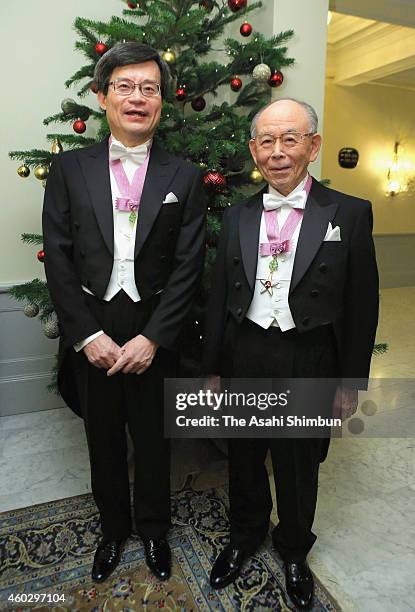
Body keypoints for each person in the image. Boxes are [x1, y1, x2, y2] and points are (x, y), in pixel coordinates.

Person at [203, 98, 378, 609]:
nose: (277, 152)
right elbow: (219, 299)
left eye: (290, 139)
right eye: (266, 141)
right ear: (254, 149)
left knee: (299, 463)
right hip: (245, 353)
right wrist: (213, 368)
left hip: (309, 357)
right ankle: (244, 535)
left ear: (313, 145)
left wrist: (351, 381)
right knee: (244, 456)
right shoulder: (236, 214)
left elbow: (363, 302)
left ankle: (295, 549)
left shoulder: (348, 212)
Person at [42, 42, 206, 583]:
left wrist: (155, 337)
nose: (138, 98)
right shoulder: (67, 168)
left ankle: (154, 529)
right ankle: (114, 528)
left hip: (152, 327)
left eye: (150, 88)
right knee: (103, 435)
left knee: (156, 436)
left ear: (162, 101)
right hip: (94, 324)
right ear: (103, 95)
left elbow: (188, 266)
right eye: (126, 86)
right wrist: (85, 335)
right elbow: (58, 259)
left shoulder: (184, 175)